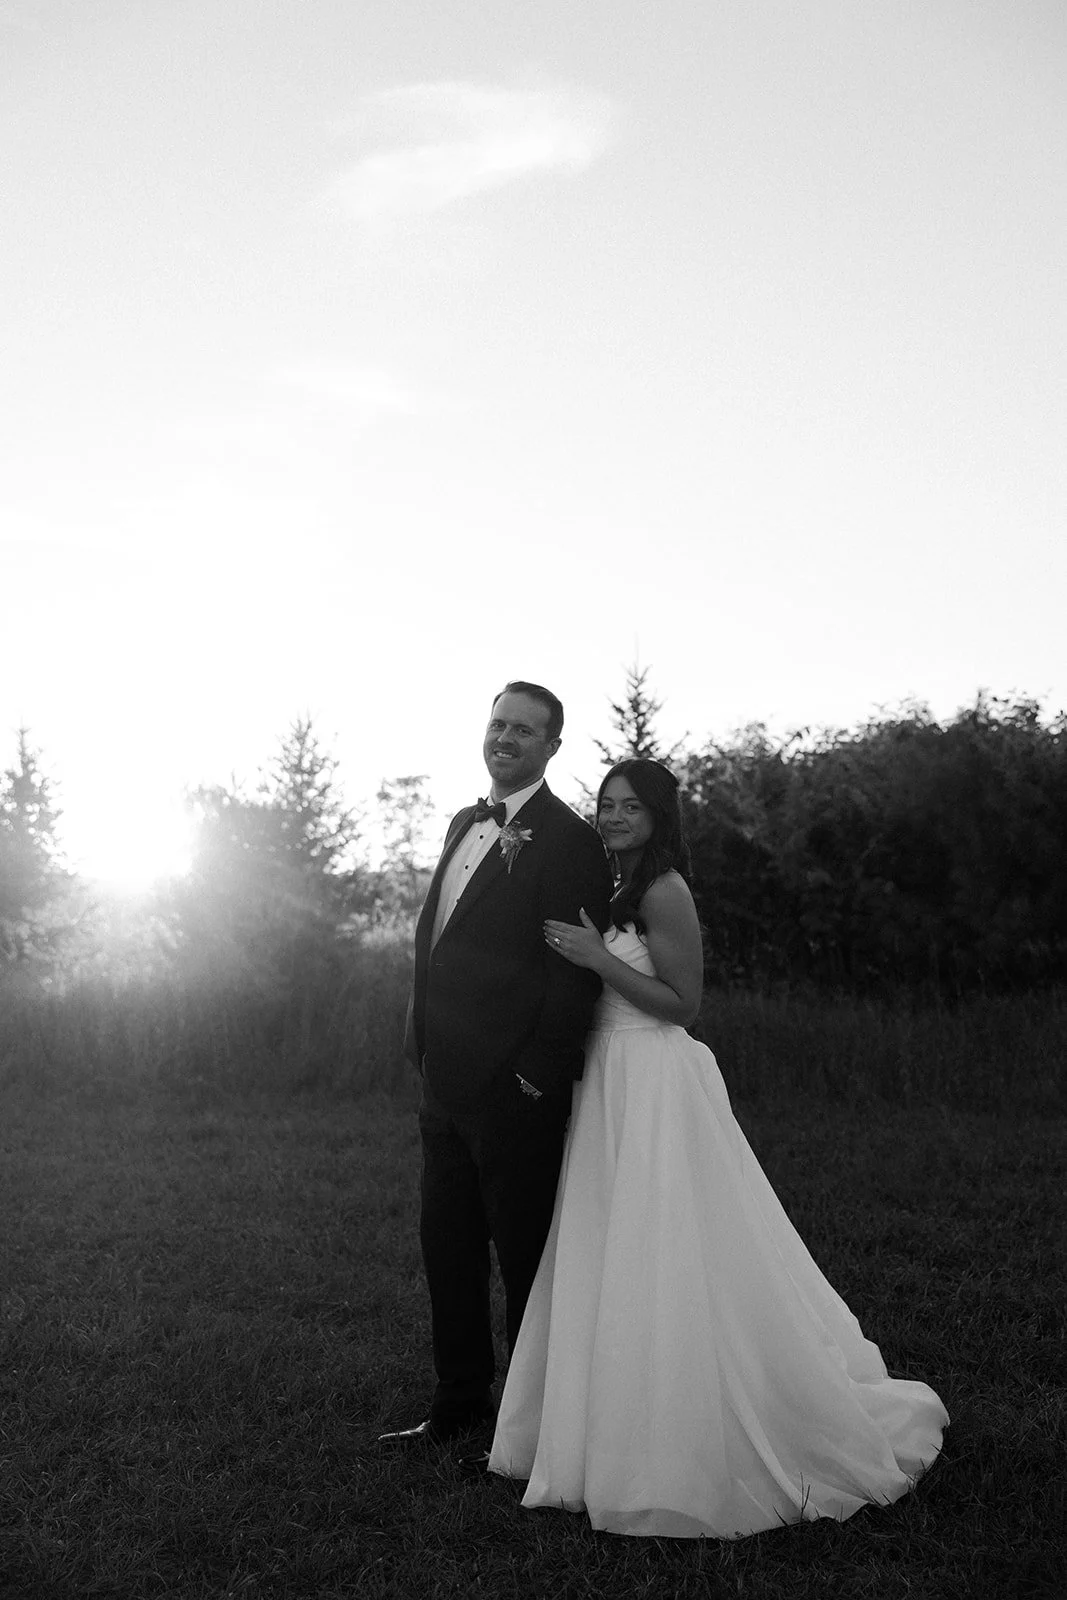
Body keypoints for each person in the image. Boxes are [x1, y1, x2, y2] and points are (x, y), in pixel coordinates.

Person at [486, 758, 948, 1538]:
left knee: (666, 1247)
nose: (614, 815)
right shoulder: (601, 884)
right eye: (606, 804)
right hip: (601, 1083)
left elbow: (682, 1005)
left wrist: (597, 959)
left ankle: (681, 1439)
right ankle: (597, 1426)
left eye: (631, 806)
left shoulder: (664, 890)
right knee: (606, 1247)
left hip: (654, 1081)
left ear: (660, 817)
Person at [379, 682, 614, 1449]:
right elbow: (441, 941)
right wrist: (420, 1042)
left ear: (552, 746)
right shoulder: (461, 821)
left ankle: (533, 1423)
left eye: (525, 729)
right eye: (498, 724)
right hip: (442, 1082)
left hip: (515, 1090)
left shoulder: (571, 841)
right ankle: (457, 1406)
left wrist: (536, 1073)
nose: (506, 737)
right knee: (445, 1248)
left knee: (523, 1258)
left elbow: (570, 971)